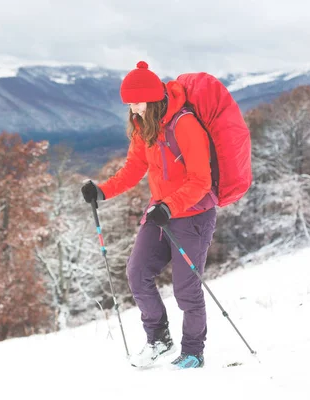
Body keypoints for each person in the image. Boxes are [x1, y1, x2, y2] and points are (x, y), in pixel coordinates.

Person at [81, 61, 216, 369]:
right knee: (137, 273)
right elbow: (133, 170)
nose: (134, 109)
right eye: (129, 104)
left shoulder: (185, 124)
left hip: (193, 214)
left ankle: (193, 351)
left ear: (155, 99)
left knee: (186, 289)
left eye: (139, 102)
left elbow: (201, 179)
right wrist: (101, 191)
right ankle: (158, 338)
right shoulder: (144, 128)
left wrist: (170, 205)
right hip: (159, 214)